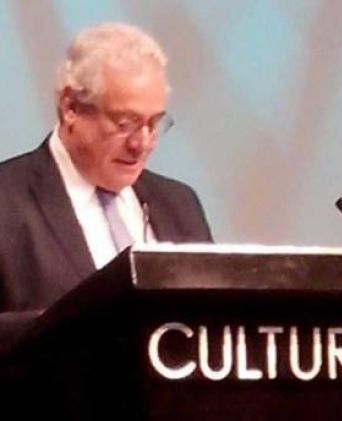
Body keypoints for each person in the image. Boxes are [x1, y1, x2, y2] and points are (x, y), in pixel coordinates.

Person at [0, 23, 212, 314]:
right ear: (71, 107)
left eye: (153, 124)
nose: (141, 144)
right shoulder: (6, 201)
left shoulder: (179, 205)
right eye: (125, 124)